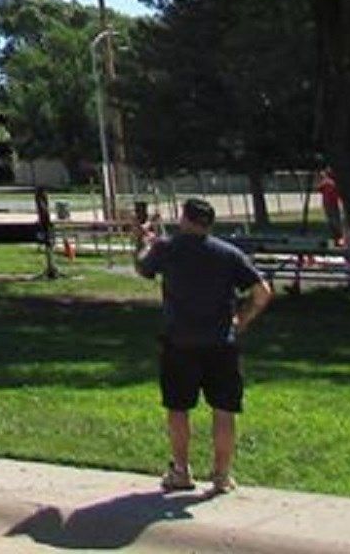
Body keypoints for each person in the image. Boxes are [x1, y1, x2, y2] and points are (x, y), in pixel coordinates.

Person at [136, 197, 273, 494]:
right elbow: (262, 292)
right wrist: (241, 320)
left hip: (179, 341)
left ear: (184, 219)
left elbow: (144, 268)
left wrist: (144, 241)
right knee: (224, 409)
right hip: (221, 342)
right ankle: (222, 475)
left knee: (178, 408)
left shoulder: (167, 249)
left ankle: (181, 470)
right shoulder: (228, 254)